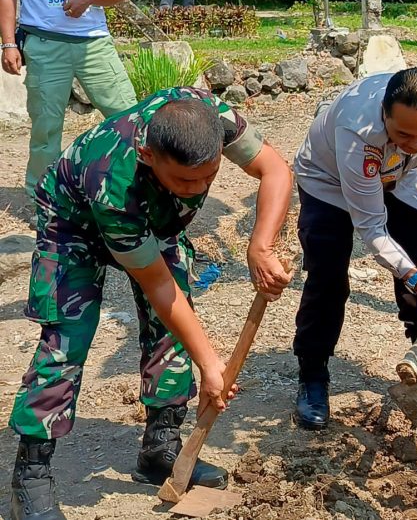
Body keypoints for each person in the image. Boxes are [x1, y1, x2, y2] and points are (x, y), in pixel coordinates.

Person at [7, 87, 293, 520]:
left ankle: (161, 449)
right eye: (185, 180)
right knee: (69, 336)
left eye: (208, 177)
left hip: (154, 216)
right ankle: (30, 474)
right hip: (73, 223)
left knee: (173, 331)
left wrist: (260, 245)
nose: (197, 189)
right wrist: (211, 364)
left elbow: (274, 170)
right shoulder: (113, 181)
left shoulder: (210, 116)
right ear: (147, 154)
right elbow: (159, 287)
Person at [291, 67, 417, 430]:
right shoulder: (356, 132)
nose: (415, 143)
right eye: (403, 133)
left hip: (401, 177)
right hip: (327, 182)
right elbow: (372, 227)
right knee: (327, 276)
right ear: (384, 116)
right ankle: (313, 374)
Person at [0, 0, 138, 200]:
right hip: (44, 43)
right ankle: (45, 202)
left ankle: (135, 192)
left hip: (96, 45)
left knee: (130, 118)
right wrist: (9, 43)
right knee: (45, 128)